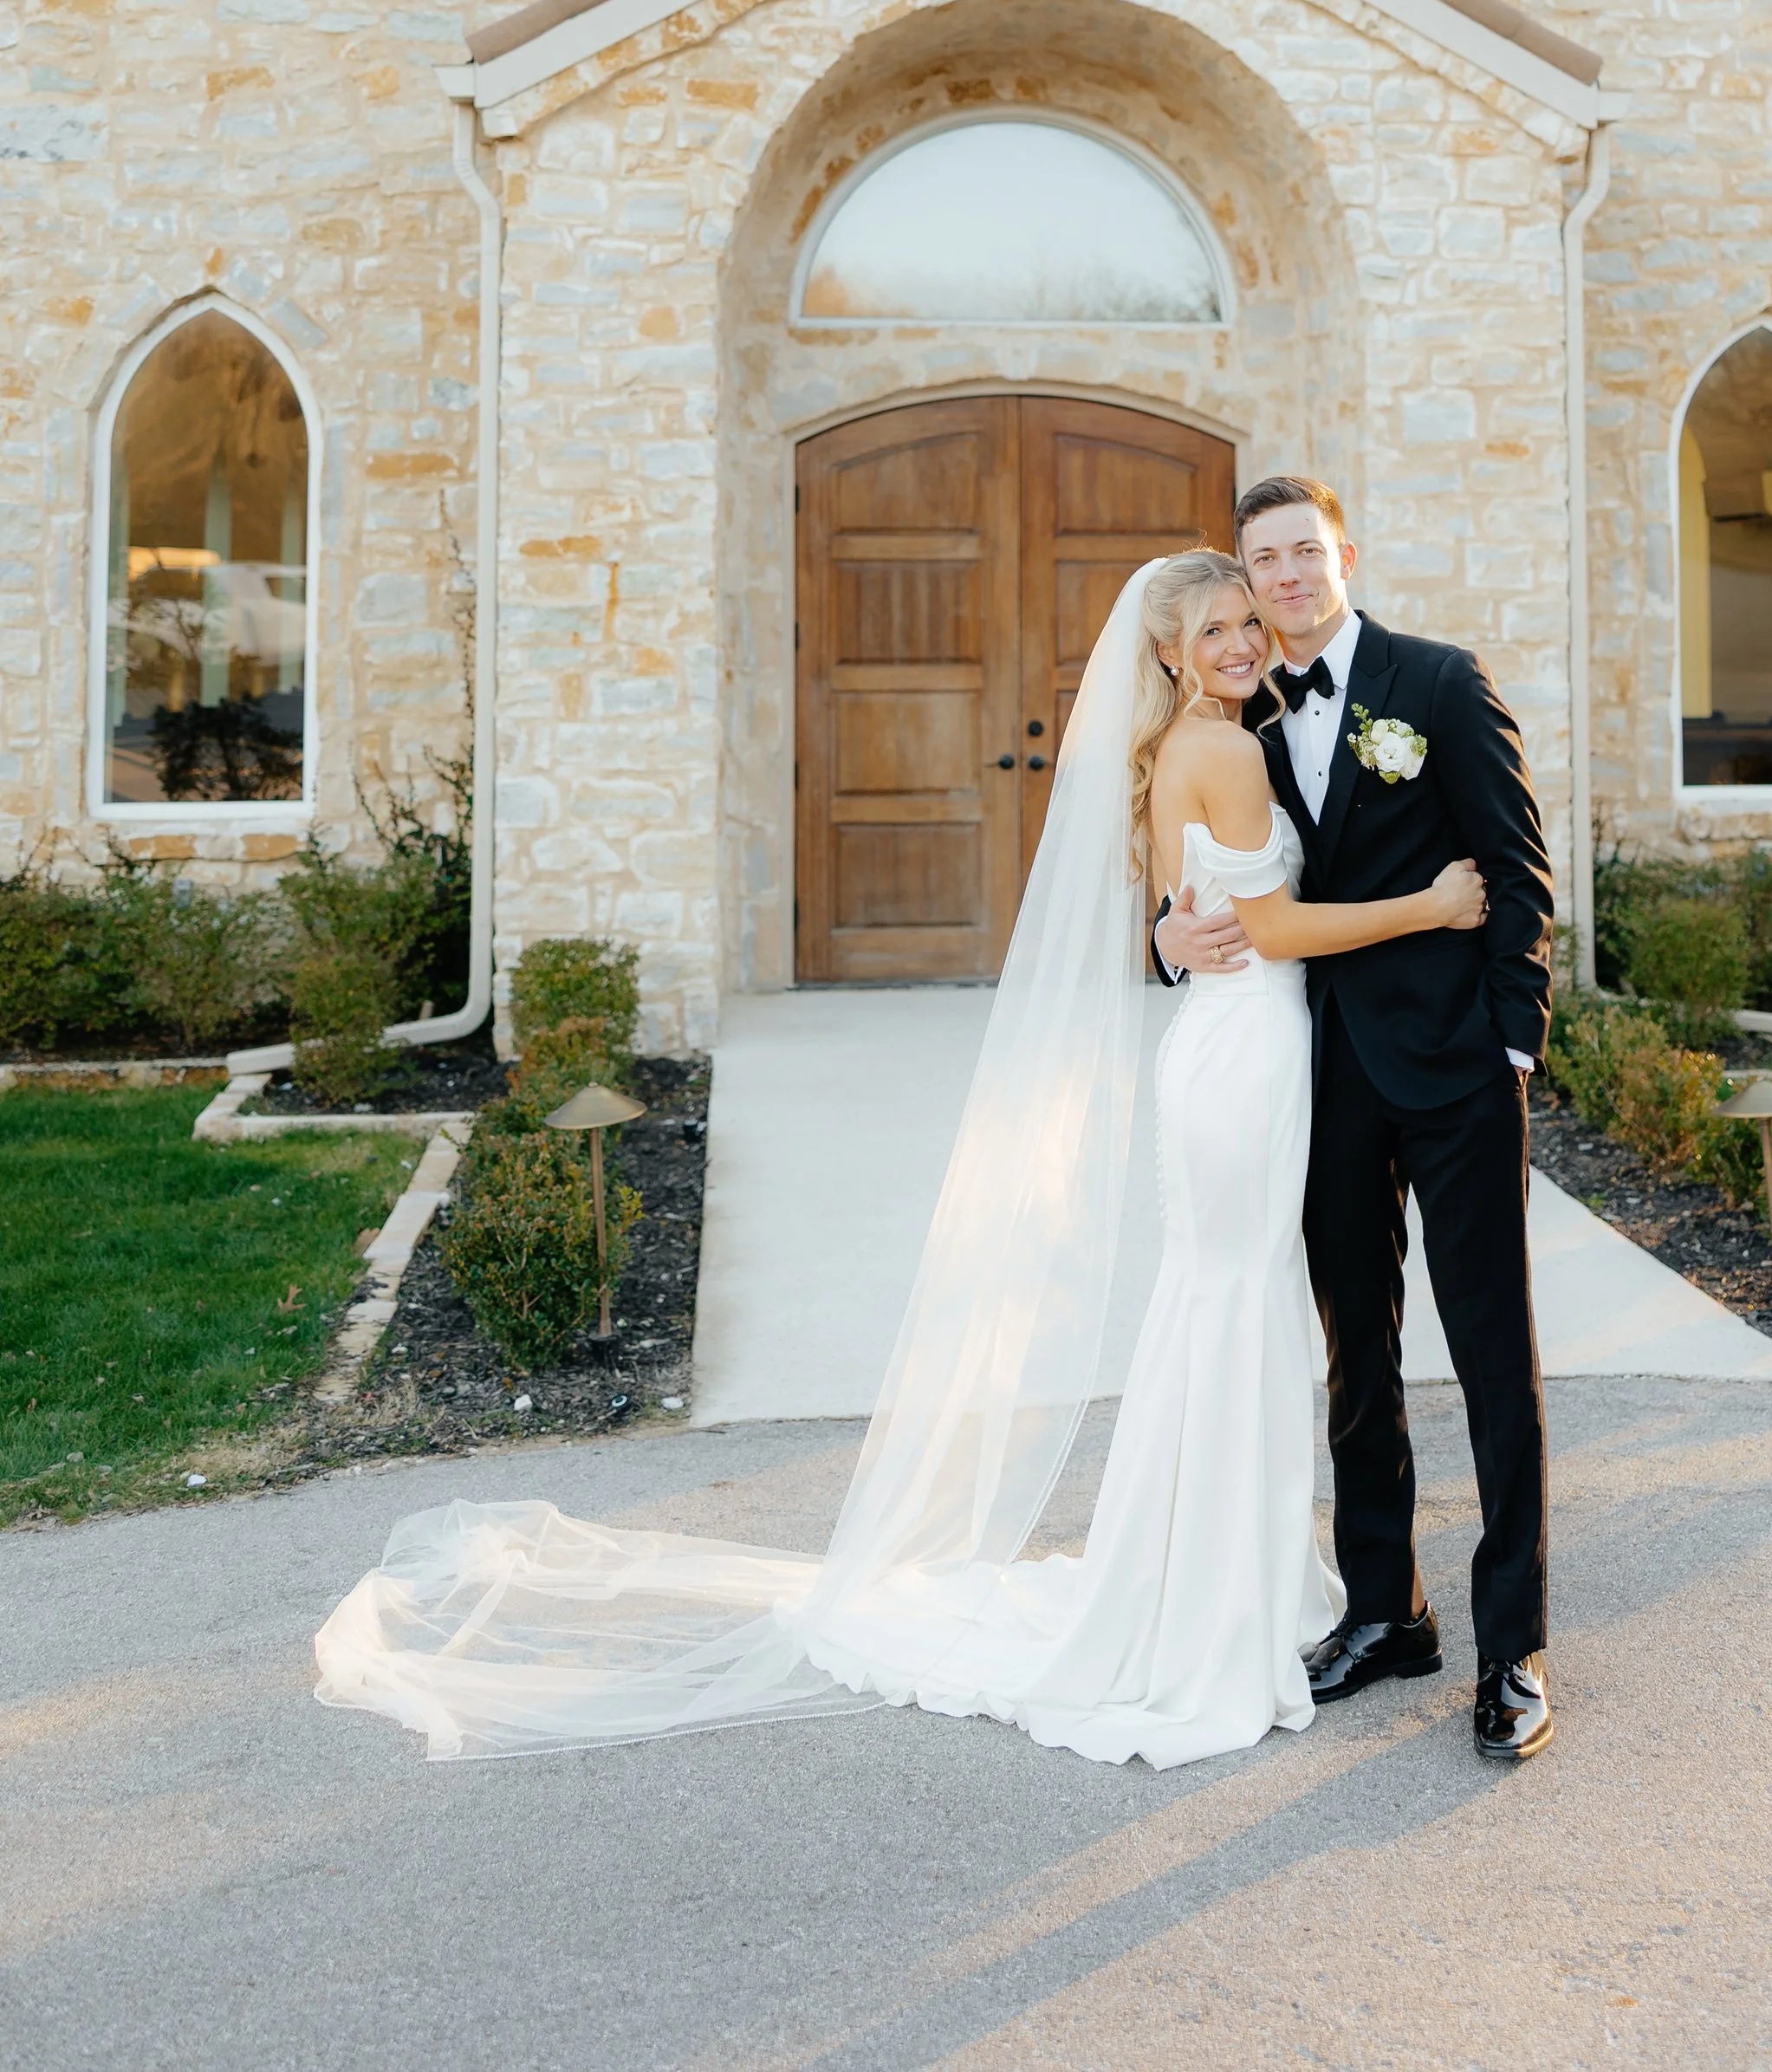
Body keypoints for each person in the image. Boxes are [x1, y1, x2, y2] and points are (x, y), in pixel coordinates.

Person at [314, 551, 1484, 1770]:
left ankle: (1212, 1571)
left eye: (1251, 619)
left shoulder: (1186, 748)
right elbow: (1276, 924)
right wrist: (1434, 906)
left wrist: (1183, 933)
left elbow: (1200, 915)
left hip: (1225, 1049)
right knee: (1235, 1304)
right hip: (1246, 1058)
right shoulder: (1229, 751)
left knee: (1219, 1303)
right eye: (1216, 627)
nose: (1244, 640)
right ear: (1168, 652)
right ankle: (1211, 1594)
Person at [1158, 476, 1556, 1762]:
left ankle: (1515, 1646)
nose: (1280, 576)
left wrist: (1513, 1043)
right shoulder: (1245, 717)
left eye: (1299, 551)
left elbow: (1516, 864)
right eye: (1260, 558)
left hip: (1456, 1075)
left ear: (1343, 555)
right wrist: (1166, 937)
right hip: (1321, 1079)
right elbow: (1207, 879)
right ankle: (1390, 1610)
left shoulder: (1439, 681)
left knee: (1495, 1357)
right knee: (1357, 1358)